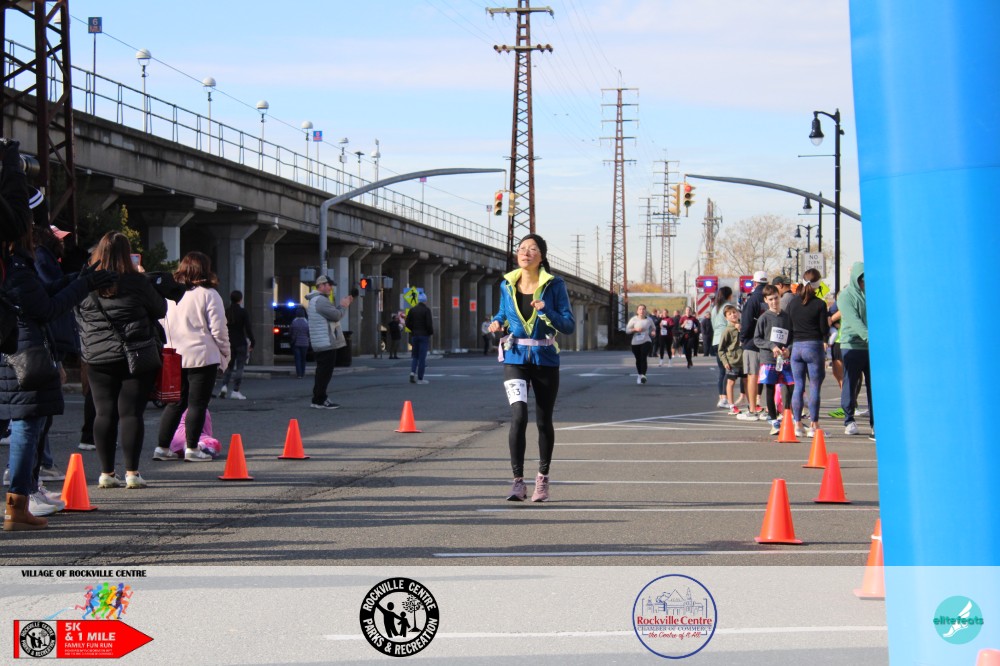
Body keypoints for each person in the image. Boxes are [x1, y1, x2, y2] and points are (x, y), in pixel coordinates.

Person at [2, 224, 115, 530]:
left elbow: (41, 295)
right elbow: (47, 309)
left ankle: (23, 499)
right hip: (24, 356)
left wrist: (76, 280)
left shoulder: (14, 267)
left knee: (30, 427)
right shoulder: (16, 269)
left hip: (19, 353)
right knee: (27, 428)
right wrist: (84, 284)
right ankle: (18, 505)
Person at [75, 231, 167, 488]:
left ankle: (106, 473)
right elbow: (160, 309)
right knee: (131, 413)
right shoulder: (137, 282)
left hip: (97, 356)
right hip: (135, 354)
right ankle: (132, 473)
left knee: (103, 412)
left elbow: (77, 314)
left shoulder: (86, 283)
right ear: (128, 254)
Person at [489, 233, 575, 503]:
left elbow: (568, 325)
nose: (525, 253)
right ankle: (517, 482)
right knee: (518, 416)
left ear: (542, 256)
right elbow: (503, 314)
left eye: (532, 249)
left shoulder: (555, 285)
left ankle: (542, 479)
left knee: (543, 420)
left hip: (545, 357)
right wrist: (496, 322)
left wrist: (546, 310)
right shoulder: (507, 284)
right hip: (514, 357)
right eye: (522, 248)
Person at [153, 251, 230, 462]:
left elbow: (160, 323)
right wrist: (225, 353)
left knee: (174, 403)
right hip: (202, 355)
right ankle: (192, 448)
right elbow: (219, 329)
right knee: (197, 404)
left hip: (173, 355)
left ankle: (162, 447)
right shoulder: (209, 294)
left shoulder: (168, 295)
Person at [786, 268, 830, 438]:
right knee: (814, 387)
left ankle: (797, 424)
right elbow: (824, 329)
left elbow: (788, 327)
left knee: (798, 386)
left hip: (796, 347)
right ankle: (814, 425)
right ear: (818, 284)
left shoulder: (793, 303)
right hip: (813, 346)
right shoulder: (820, 304)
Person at [754, 285, 795, 435]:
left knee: (790, 386)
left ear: (780, 296)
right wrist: (771, 346)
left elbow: (792, 337)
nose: (774, 302)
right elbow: (757, 339)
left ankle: (787, 415)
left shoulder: (787, 317)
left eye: (776, 298)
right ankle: (773, 420)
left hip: (784, 358)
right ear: (766, 300)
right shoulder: (764, 318)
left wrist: (788, 349)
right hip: (769, 359)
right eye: (770, 299)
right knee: (770, 389)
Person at [306, 275, 352, 409]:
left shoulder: (314, 300)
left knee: (321, 372)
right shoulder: (321, 300)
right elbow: (336, 315)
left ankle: (318, 399)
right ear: (320, 285)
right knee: (324, 373)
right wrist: (343, 306)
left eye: (331, 285)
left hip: (320, 342)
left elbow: (331, 314)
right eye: (328, 285)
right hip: (325, 342)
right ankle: (320, 400)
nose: (330, 287)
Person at [838, 262, 872, 437]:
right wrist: (871, 338)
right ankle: (849, 419)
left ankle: (875, 422)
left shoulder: (872, 294)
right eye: (862, 280)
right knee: (851, 383)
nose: (864, 283)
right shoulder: (845, 296)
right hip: (852, 346)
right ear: (855, 279)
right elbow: (854, 321)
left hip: (871, 347)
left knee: (874, 386)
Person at [737, 270, 768, 421]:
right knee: (769, 376)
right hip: (768, 342)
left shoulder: (752, 299)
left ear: (754, 282)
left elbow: (747, 322)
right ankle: (770, 409)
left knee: (752, 375)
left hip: (752, 342)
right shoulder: (770, 298)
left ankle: (752, 409)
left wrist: (742, 338)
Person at [217, 290, 254, 400]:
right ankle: (235, 390)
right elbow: (248, 328)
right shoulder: (243, 312)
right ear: (240, 299)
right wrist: (253, 341)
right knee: (240, 367)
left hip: (229, 342)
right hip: (240, 342)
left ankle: (224, 386)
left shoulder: (226, 312)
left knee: (229, 366)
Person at [709, 286, 735, 408]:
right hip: (725, 340)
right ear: (729, 295)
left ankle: (721, 397)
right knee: (727, 369)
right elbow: (731, 323)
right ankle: (725, 398)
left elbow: (713, 325)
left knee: (721, 371)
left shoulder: (715, 308)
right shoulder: (728, 307)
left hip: (716, 340)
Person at [717, 303, 745, 415]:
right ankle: (731, 405)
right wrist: (725, 362)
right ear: (726, 317)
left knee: (746, 381)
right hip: (733, 361)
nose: (733, 315)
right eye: (729, 314)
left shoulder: (743, 327)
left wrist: (740, 330)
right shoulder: (727, 331)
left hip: (744, 360)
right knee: (731, 382)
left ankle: (751, 404)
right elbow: (721, 349)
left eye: (734, 312)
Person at [405, 292, 434, 385]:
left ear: (418, 300)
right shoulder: (426, 310)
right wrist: (430, 332)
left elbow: (407, 323)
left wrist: (413, 330)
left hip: (415, 335)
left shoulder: (412, 310)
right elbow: (429, 324)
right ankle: (420, 378)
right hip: (424, 335)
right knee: (422, 358)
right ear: (425, 301)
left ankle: (412, 372)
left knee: (415, 356)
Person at [625, 304, 656, 384]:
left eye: (643, 309)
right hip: (635, 342)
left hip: (646, 340)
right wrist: (635, 329)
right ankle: (639, 375)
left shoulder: (649, 319)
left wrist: (653, 332)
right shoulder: (633, 319)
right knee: (638, 359)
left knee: (643, 356)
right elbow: (627, 330)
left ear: (645, 311)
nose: (642, 311)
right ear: (637, 311)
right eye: (640, 309)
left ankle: (643, 375)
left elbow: (653, 327)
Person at [290, 306, 310, 377]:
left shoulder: (294, 322)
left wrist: (292, 338)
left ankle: (299, 374)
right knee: (303, 359)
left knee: (297, 359)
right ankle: (303, 373)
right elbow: (309, 333)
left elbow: (291, 332)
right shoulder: (306, 322)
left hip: (296, 343)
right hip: (305, 343)